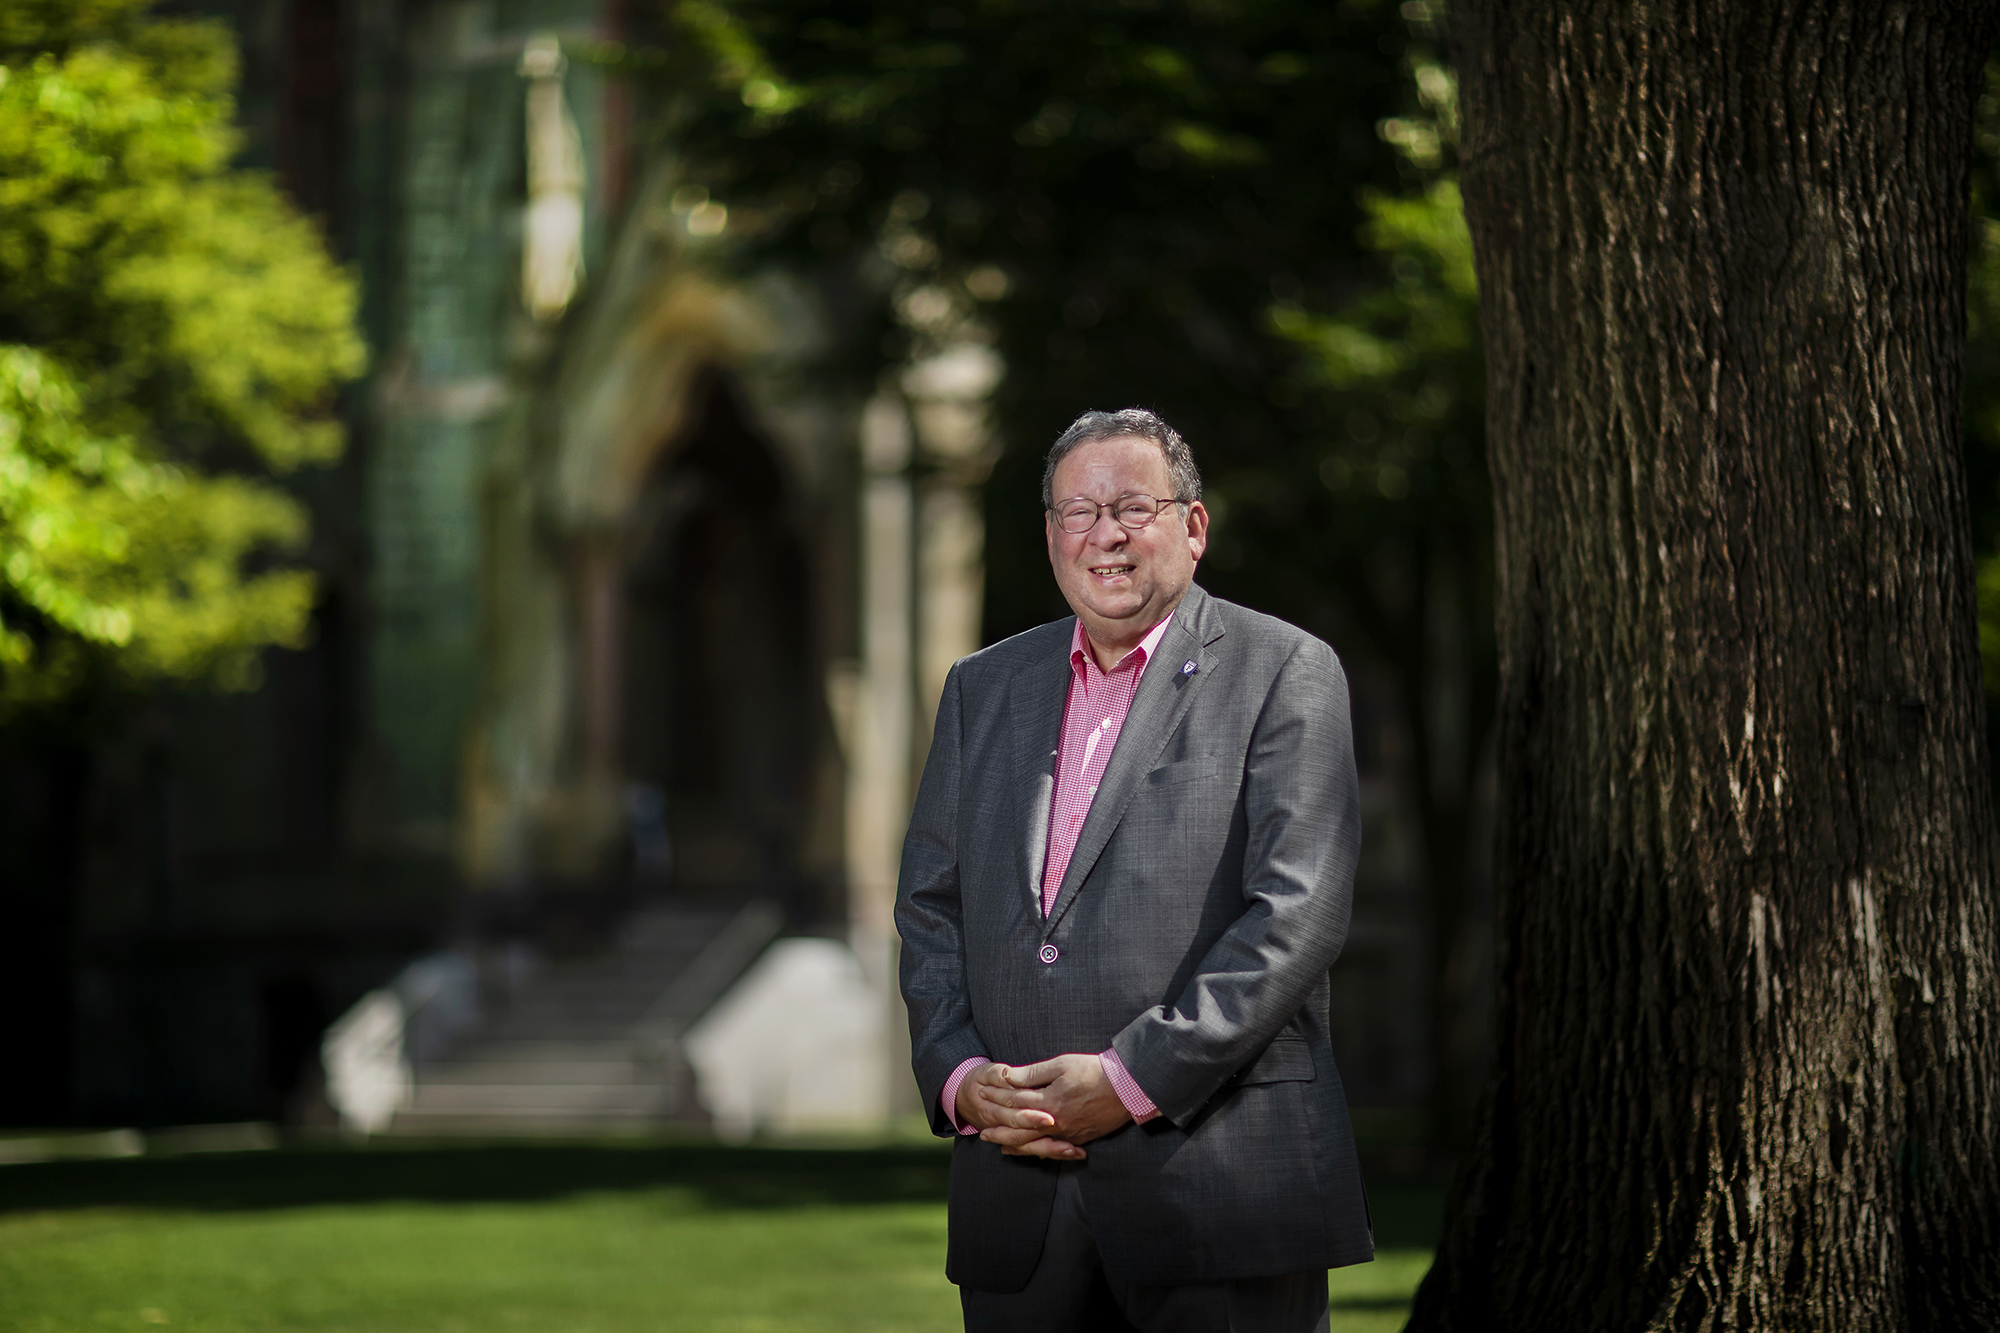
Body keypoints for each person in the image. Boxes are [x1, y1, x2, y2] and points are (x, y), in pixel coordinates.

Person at [895, 408, 1372, 1332]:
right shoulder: (981, 686)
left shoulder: (1285, 670)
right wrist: (957, 1076)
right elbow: (930, 907)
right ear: (1049, 536)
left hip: (1215, 1186)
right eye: (1077, 512)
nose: (1103, 534)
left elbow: (1296, 914)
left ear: (1193, 528)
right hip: (1016, 1191)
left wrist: (1126, 1079)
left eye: (1131, 507)